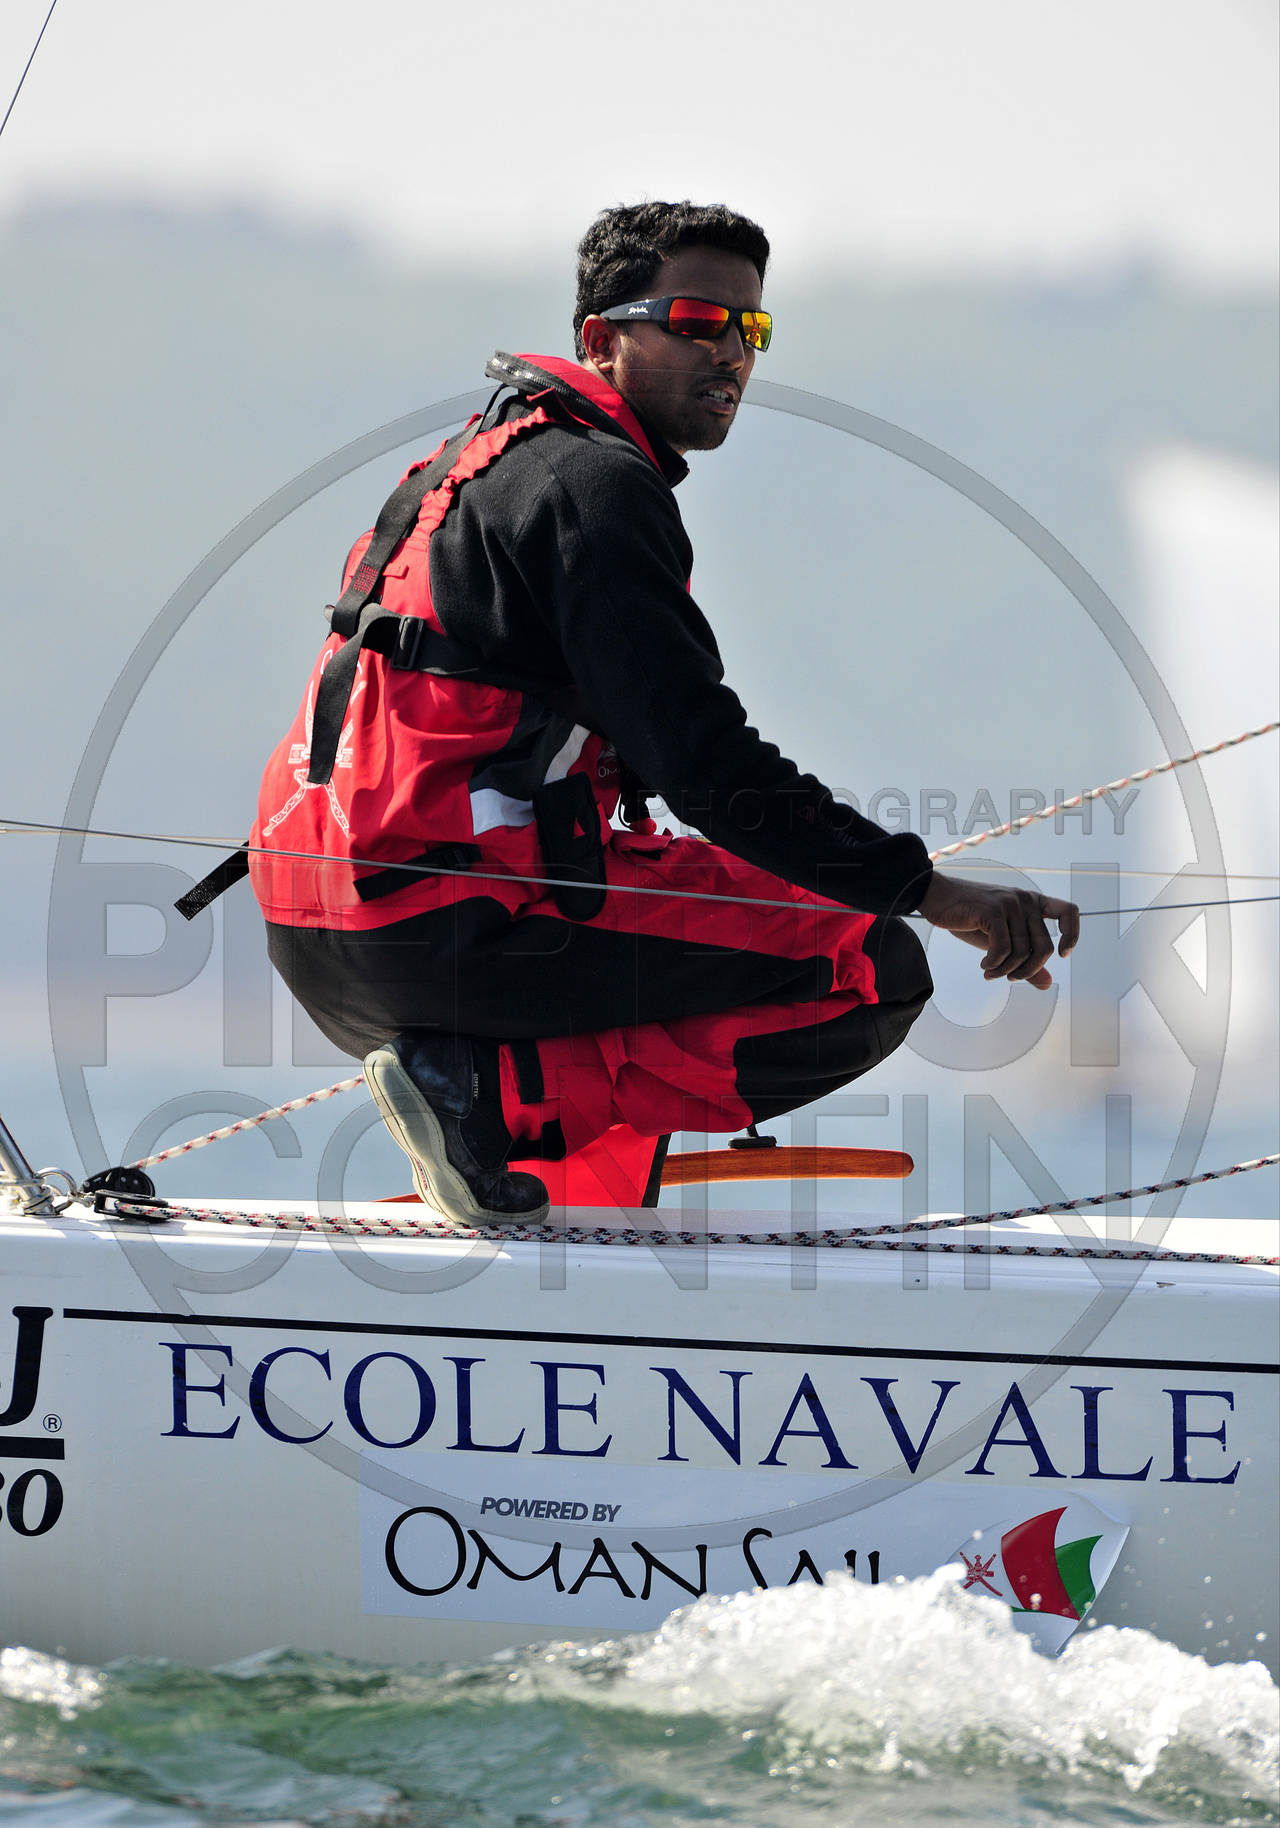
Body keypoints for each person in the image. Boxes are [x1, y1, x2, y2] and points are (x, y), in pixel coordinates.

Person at [249, 200, 1079, 1228]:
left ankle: (511, 1160)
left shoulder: (476, 462)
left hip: (314, 927)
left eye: (750, 328)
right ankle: (495, 1099)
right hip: (445, 924)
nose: (730, 352)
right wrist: (929, 891)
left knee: (691, 899)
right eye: (694, 322)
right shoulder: (594, 486)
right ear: (600, 339)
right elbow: (706, 767)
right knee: (868, 964)